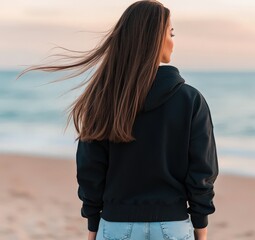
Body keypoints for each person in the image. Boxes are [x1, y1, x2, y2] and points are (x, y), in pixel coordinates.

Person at [17, 1, 218, 239]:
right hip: (172, 225)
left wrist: (93, 225)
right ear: (155, 39)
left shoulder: (103, 98)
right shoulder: (190, 100)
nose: (173, 41)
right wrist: (200, 227)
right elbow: (201, 172)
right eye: (170, 33)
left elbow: (90, 171)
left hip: (116, 225)